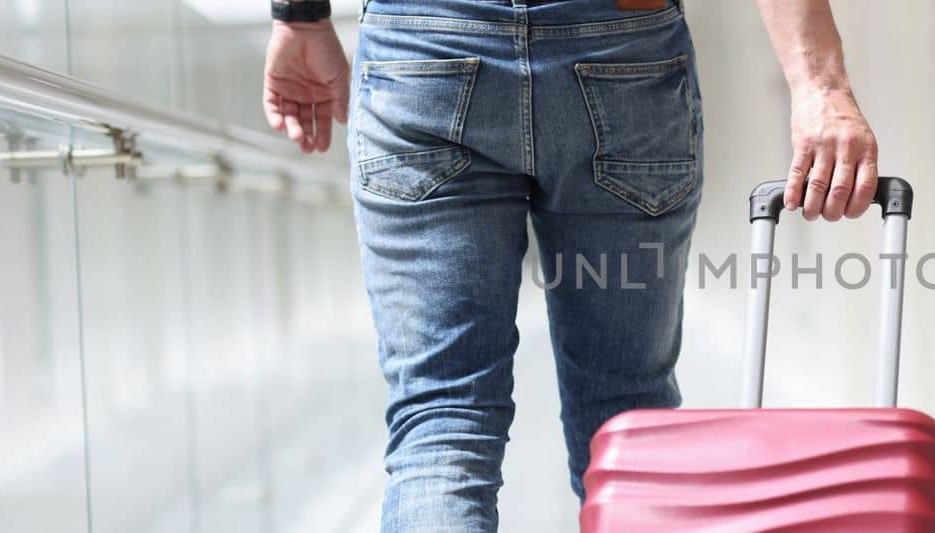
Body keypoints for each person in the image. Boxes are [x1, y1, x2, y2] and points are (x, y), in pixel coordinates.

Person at [263, 0, 878, 530]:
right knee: (627, 412)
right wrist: (821, 88)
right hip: (621, 48)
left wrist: (301, 18)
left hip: (424, 45)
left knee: (443, 420)